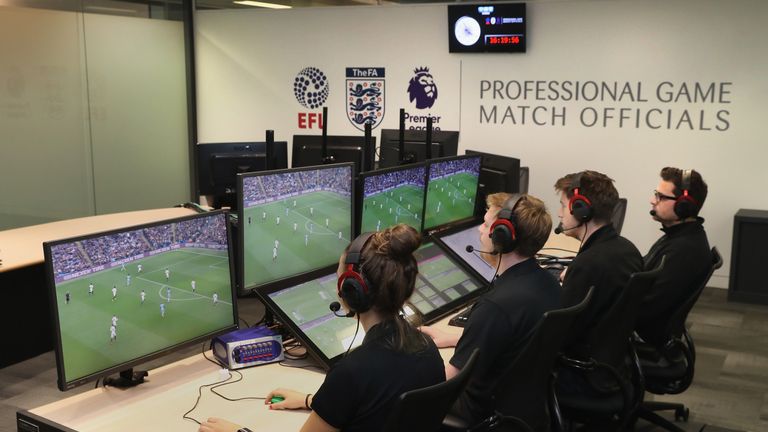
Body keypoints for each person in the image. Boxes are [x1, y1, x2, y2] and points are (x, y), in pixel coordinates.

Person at [198, 224, 445, 432]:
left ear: (352, 289)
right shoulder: (427, 348)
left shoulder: (352, 372)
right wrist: (312, 401)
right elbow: (378, 402)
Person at [420, 193, 560, 427]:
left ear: (503, 237)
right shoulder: (549, 284)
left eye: (485, 225)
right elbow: (513, 338)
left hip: (482, 410)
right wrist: (460, 336)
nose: (480, 231)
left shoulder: (496, 307)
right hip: (523, 407)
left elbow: (446, 382)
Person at [553, 171, 643, 403]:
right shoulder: (628, 249)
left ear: (581, 210)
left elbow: (557, 337)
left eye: (563, 206)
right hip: (612, 368)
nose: (559, 213)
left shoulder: (588, 265)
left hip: (581, 376)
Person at [635, 168, 710, 350]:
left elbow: (645, 309)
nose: (653, 200)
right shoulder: (679, 236)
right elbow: (645, 269)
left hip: (643, 336)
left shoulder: (684, 250)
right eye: (655, 194)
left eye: (661, 197)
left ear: (684, 206)